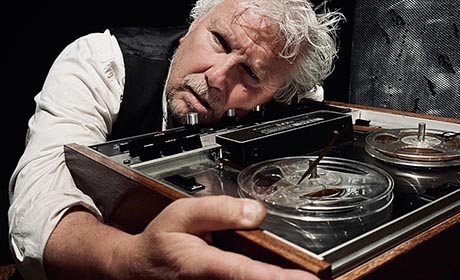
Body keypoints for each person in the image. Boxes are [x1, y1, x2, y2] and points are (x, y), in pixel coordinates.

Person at [8, 0, 344, 279]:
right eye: (220, 41)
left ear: (272, 96)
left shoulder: (290, 94)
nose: (216, 77)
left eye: (252, 74)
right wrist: (128, 261)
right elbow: (38, 207)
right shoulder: (101, 61)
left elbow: (312, 96)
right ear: (191, 29)